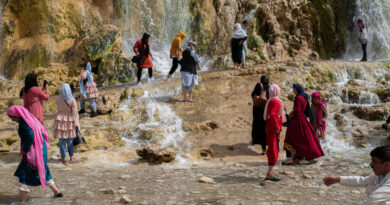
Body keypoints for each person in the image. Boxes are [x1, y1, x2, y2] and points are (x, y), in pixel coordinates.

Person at [7, 105, 63, 203]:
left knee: (23, 175)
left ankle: (22, 201)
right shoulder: (30, 119)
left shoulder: (24, 123)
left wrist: (25, 149)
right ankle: (57, 192)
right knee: (43, 170)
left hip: (33, 154)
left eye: (12, 118)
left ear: (17, 115)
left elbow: (30, 136)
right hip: (41, 150)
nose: (12, 120)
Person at [323, 146, 390, 204]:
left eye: (374, 161)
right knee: (370, 186)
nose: (371, 164)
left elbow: (375, 198)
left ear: (387, 165)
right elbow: (363, 181)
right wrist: (337, 179)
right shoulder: (381, 174)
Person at [283, 84, 324, 165]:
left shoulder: (298, 98)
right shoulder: (304, 96)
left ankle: (289, 159)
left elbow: (297, 111)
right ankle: (302, 157)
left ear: (297, 89)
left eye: (294, 89)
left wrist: (290, 115)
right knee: (304, 139)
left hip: (297, 120)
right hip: (303, 119)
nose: (293, 91)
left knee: (289, 138)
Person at [263, 84, 286, 181]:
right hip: (273, 128)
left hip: (270, 127)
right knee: (274, 148)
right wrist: (277, 127)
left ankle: (271, 171)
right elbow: (273, 116)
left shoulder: (271, 100)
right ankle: (269, 173)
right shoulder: (275, 101)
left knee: (273, 147)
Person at [54, 84, 79, 164]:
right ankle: (71, 157)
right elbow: (75, 113)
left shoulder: (58, 99)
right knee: (70, 140)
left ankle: (62, 158)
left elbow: (58, 108)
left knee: (61, 141)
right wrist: (76, 124)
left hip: (60, 120)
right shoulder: (72, 100)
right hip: (69, 120)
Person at [251, 75, 269, 154]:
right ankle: (268, 146)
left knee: (259, 127)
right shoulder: (270, 87)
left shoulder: (259, 86)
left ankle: (263, 148)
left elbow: (252, 95)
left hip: (259, 110)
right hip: (267, 110)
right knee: (266, 128)